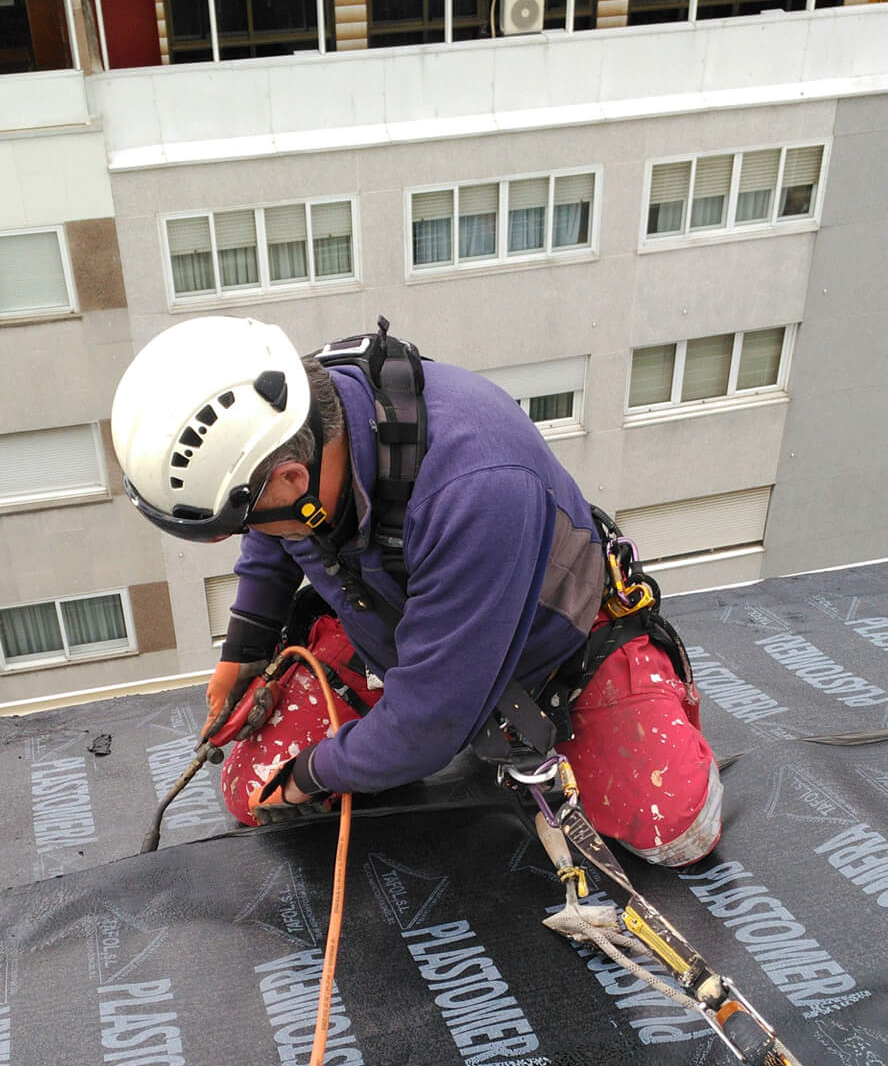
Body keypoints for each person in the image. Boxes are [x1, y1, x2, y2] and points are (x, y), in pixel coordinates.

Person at [110, 314, 722, 866]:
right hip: (397, 620)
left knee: (672, 830)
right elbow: (274, 537)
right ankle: (386, 716)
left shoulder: (479, 490)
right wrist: (244, 650)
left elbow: (430, 724)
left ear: (292, 479)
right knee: (253, 789)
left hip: (558, 647)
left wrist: (312, 775)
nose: (248, 537)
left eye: (244, 520)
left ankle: (638, 682)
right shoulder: (303, 421)